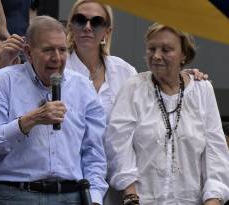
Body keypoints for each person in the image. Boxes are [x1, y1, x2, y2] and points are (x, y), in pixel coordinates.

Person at [65, 1, 209, 204]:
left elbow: (157, 87)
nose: (87, 27)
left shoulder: (125, 72)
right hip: (73, 179)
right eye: (80, 20)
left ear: (107, 31)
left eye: (96, 22)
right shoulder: (57, 71)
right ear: (70, 25)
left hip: (119, 183)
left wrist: (182, 73)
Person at [0, 15, 108, 205]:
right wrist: (29, 121)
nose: (56, 58)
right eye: (48, 50)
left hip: (71, 195)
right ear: (28, 52)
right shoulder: (2, 82)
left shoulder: (82, 87)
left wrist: (95, 198)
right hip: (17, 195)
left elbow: (94, 152)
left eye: (62, 50)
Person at [105, 23, 229, 204]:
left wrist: (213, 199)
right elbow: (118, 147)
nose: (156, 56)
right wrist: (131, 196)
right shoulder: (134, 88)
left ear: (184, 54)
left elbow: (215, 154)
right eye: (151, 48)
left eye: (166, 49)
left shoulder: (202, 90)